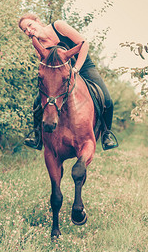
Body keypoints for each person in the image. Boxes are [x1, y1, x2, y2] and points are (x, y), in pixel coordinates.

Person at [19, 13, 117, 150]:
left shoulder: (58, 26)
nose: (28, 31)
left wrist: (76, 68)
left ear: (37, 21)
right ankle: (37, 136)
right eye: (25, 30)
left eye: (29, 25)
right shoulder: (37, 44)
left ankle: (106, 134)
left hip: (82, 66)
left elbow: (83, 44)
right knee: (37, 103)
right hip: (61, 76)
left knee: (107, 100)